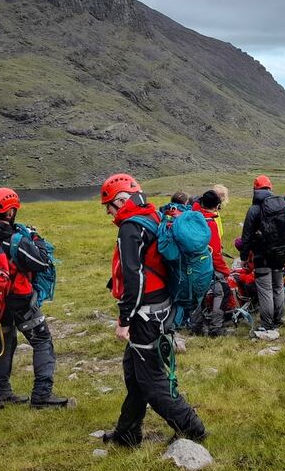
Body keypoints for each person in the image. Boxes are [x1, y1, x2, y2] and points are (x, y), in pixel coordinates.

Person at [99, 173, 207, 447]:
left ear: (122, 200)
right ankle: (127, 434)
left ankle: (193, 429)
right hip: (160, 308)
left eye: (109, 206)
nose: (108, 213)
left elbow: (134, 279)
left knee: (152, 382)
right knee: (134, 374)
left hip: (146, 314)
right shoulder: (151, 216)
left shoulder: (130, 229)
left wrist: (124, 320)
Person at [0, 188, 71, 409]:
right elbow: (40, 262)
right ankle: (42, 396)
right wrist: (36, 239)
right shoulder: (15, 239)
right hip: (19, 299)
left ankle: (1, 394)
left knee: (4, 342)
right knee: (42, 341)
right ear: (10, 211)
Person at [239, 175, 285, 331]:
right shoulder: (282, 205)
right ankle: (280, 318)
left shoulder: (254, 209)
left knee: (265, 290)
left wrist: (244, 257)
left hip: (261, 256)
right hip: (280, 254)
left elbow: (247, 236)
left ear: (255, 189)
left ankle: (267, 324)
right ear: (270, 188)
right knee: (278, 286)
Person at [190, 189, 232, 336]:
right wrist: (226, 271)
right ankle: (216, 328)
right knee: (222, 291)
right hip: (208, 266)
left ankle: (196, 327)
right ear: (216, 206)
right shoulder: (210, 223)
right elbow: (215, 253)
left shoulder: (194, 218)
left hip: (192, 265)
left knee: (197, 294)